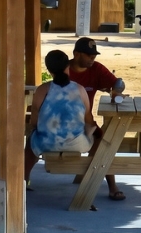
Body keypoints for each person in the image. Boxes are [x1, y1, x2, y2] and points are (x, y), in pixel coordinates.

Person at [67, 37, 126, 200]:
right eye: (88, 55)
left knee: (105, 141)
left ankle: (110, 185)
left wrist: (116, 90)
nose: (93, 58)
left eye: (94, 55)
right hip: (62, 123)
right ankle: (109, 186)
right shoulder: (64, 70)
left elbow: (118, 83)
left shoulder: (96, 69)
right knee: (104, 143)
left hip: (85, 124)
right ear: (76, 54)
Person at [25, 50, 94, 187]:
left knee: (31, 140)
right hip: (77, 144)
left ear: (49, 70)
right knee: (97, 135)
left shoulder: (42, 90)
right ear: (67, 66)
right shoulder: (80, 89)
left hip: (46, 143)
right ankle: (92, 177)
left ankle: (24, 178)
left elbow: (34, 121)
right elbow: (88, 119)